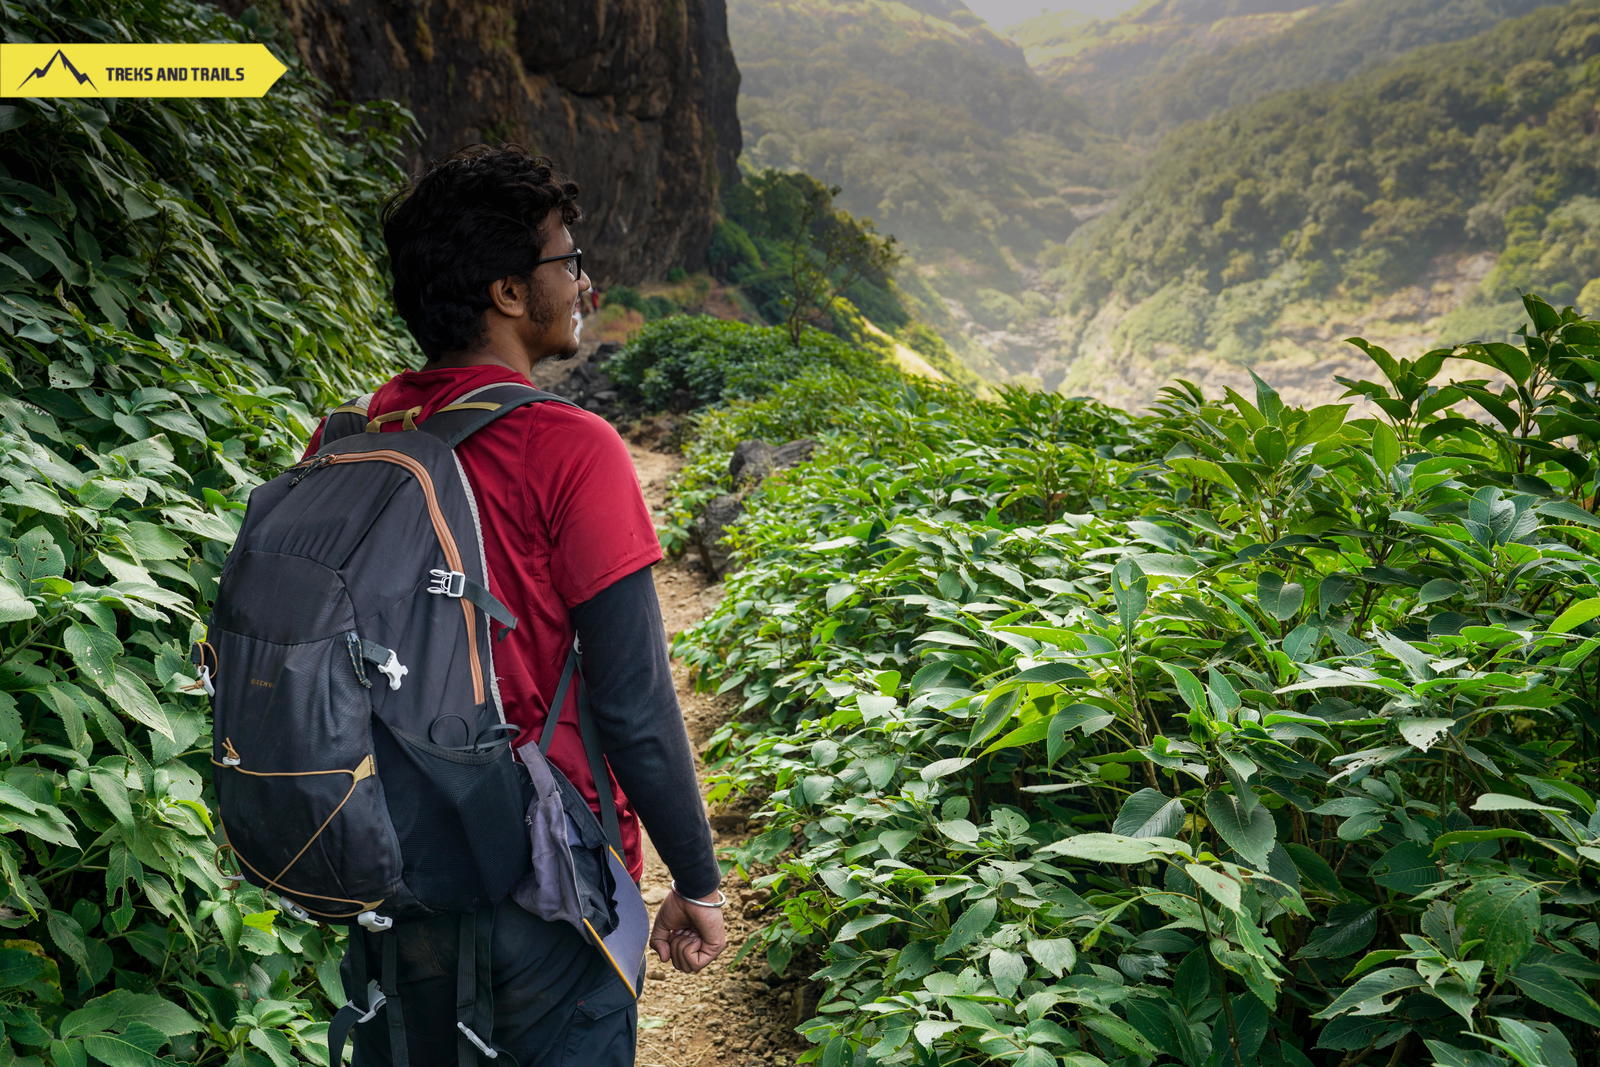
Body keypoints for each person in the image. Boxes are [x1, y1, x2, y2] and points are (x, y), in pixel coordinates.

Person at [303, 144, 726, 1065]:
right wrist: (698, 879)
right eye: (567, 261)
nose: (584, 283)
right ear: (506, 292)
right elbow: (634, 702)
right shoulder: (571, 449)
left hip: (386, 870)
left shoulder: (348, 439)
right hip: (545, 882)